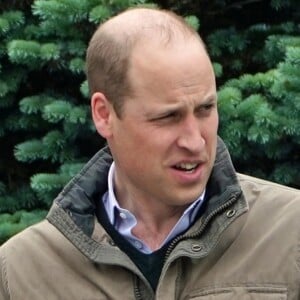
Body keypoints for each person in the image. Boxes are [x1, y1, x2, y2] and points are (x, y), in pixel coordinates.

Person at [0, 7, 299, 300]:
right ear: (104, 115)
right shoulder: (20, 272)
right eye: (168, 117)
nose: (195, 142)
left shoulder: (290, 231)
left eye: (205, 109)